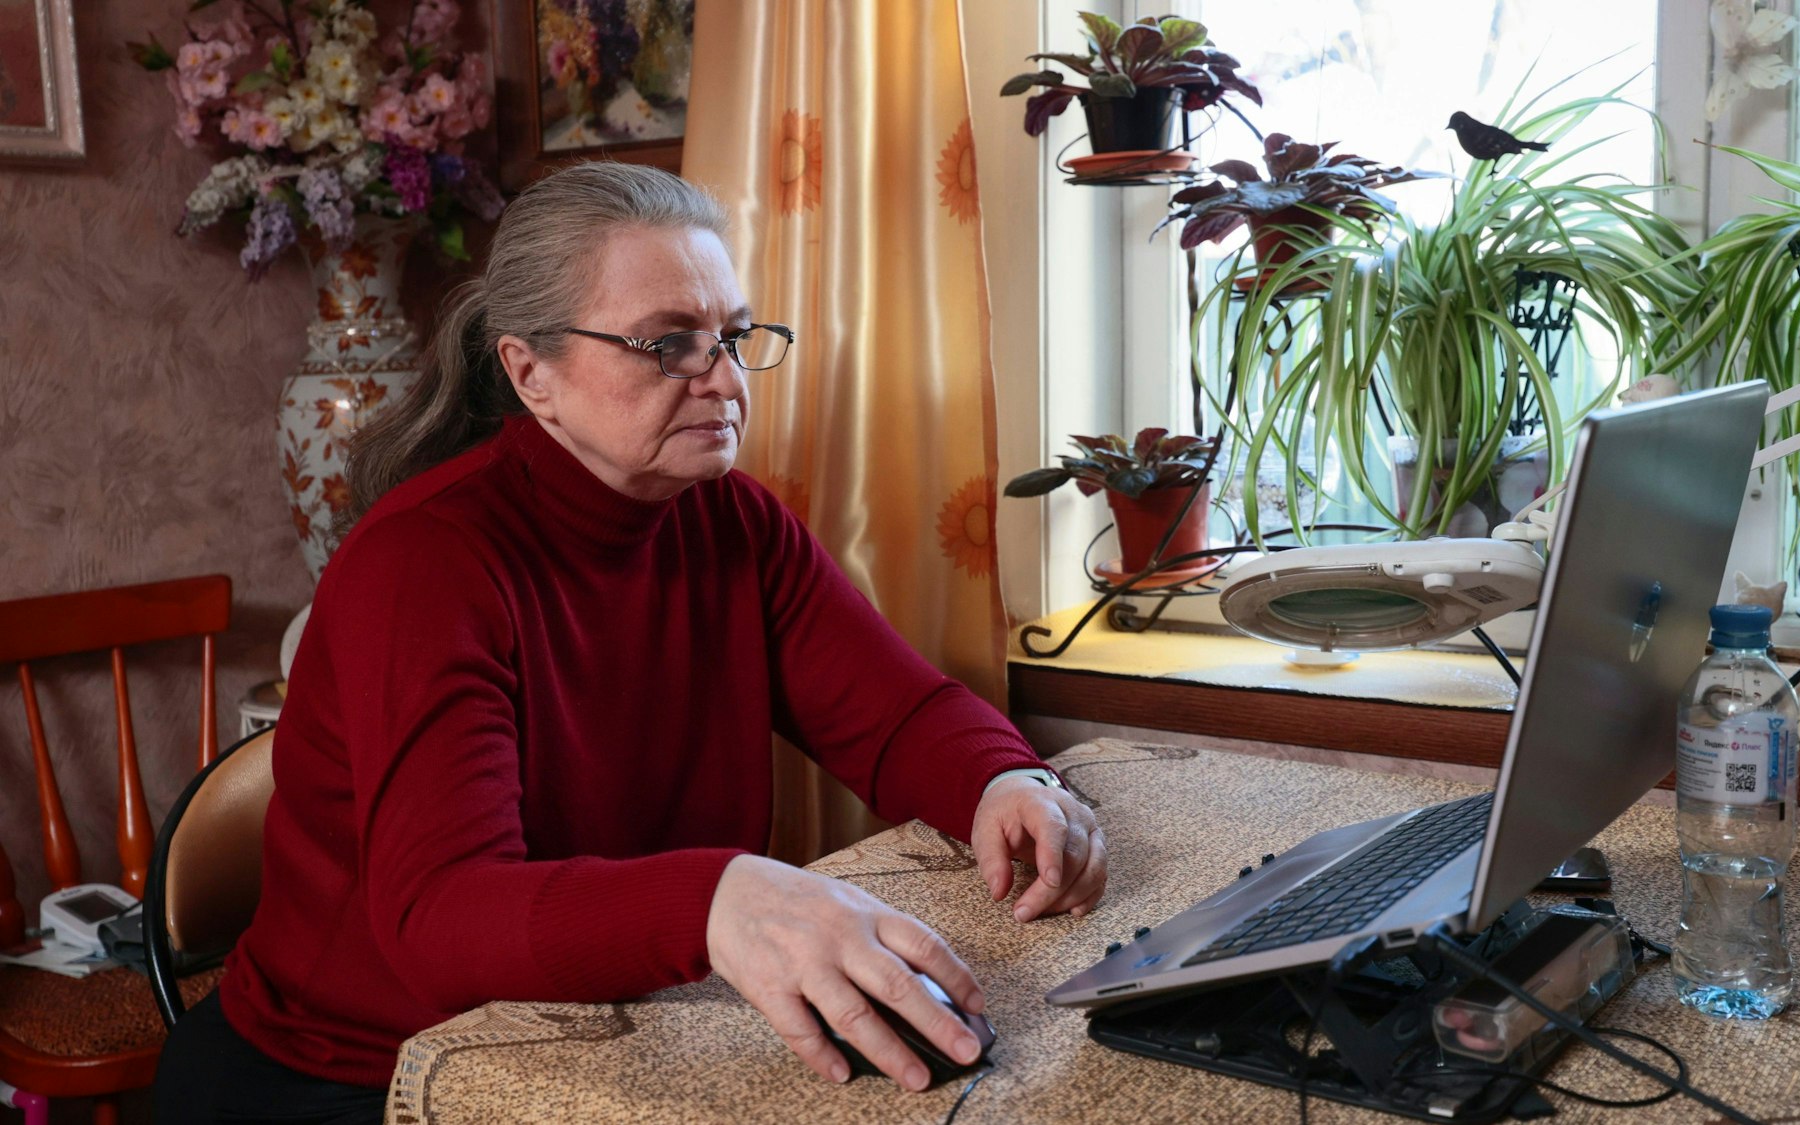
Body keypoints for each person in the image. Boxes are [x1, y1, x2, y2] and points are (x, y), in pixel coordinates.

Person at [155, 161, 1107, 1124]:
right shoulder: (423, 564)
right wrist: (717, 900)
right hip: (363, 1076)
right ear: (530, 372)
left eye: (732, 337)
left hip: (597, 1037)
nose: (724, 380)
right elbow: (443, 916)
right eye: (669, 345)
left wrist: (1003, 780)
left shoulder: (732, 520)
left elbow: (895, 716)